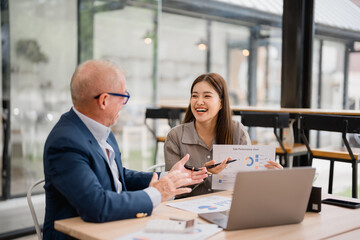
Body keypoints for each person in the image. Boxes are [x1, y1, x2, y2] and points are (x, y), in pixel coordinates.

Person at [43, 59, 207, 240]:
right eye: (123, 96)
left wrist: (167, 178)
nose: (124, 103)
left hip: (115, 226)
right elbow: (97, 206)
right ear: (104, 100)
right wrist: (157, 193)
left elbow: (118, 176)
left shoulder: (101, 129)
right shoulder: (65, 142)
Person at [164, 73, 282, 198]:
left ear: (221, 103)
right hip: (186, 209)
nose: (199, 101)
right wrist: (204, 174)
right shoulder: (175, 136)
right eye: (194, 96)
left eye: (207, 96)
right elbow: (172, 187)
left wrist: (271, 178)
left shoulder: (237, 131)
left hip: (228, 207)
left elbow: (247, 181)